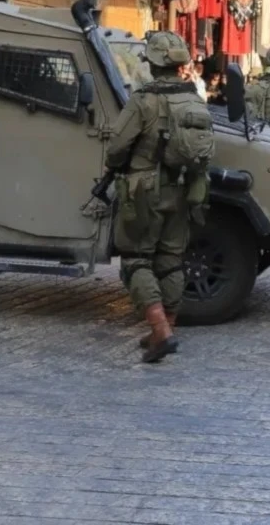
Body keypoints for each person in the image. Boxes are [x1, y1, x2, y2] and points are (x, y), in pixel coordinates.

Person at [105, 31, 214, 363]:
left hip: (144, 192)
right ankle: (165, 328)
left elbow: (117, 147)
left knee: (136, 259)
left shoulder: (144, 100)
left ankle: (161, 332)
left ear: (153, 63)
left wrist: (116, 164)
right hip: (181, 189)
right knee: (170, 261)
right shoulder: (194, 99)